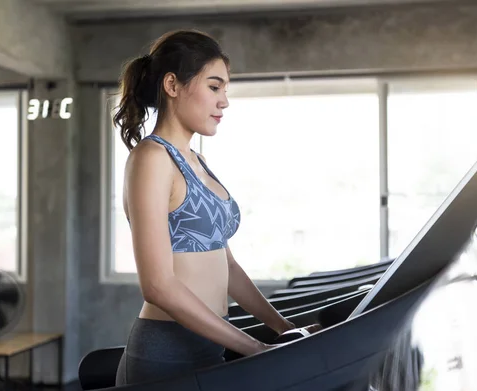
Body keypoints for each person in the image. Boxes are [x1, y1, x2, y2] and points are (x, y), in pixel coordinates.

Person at [112, 29, 321, 386]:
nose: (224, 101)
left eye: (225, 89)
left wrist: (284, 328)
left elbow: (227, 265)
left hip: (211, 344)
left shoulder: (196, 161)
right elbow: (158, 286)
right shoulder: (151, 158)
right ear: (173, 85)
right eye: (214, 87)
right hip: (164, 354)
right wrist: (255, 347)